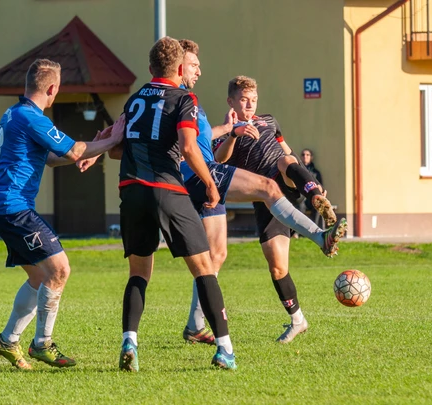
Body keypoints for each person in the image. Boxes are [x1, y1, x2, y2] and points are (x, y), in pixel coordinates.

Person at [176, 44, 347, 345]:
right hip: (263, 200)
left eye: (253, 100)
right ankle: (298, 320)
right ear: (231, 101)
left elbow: (286, 150)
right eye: (244, 100)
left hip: (282, 183)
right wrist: (233, 133)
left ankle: (319, 206)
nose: (250, 105)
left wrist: (310, 183)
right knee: (277, 266)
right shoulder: (230, 130)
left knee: (285, 162)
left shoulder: (269, 121)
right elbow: (221, 160)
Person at [0, 58, 124, 370]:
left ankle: (8, 340)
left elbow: (50, 158)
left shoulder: (14, 113)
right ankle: (42, 344)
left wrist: (95, 148)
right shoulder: (32, 118)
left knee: (39, 277)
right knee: (59, 270)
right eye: (57, 90)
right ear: (51, 88)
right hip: (14, 207)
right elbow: (74, 150)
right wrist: (113, 139)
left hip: (3, 207)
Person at [116, 37, 236, 371]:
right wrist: (210, 184)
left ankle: (130, 341)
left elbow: (118, 145)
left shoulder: (135, 99)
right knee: (204, 268)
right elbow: (188, 146)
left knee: (139, 273)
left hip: (131, 191)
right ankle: (225, 349)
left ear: (150, 68)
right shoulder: (184, 98)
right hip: (166, 188)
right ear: (180, 68)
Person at [299, 148, 324, 227]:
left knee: (318, 207)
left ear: (311, 157)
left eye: (307, 155)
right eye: (303, 155)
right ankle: (298, 231)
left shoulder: (315, 173)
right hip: (301, 198)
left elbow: (320, 186)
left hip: (313, 198)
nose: (305, 157)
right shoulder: (298, 170)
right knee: (300, 207)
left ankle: (314, 229)